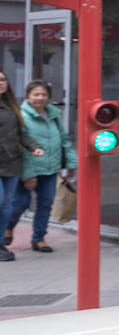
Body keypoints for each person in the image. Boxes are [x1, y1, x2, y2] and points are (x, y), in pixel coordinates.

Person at [5, 81, 74, 255]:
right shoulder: (20, 115)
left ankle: (39, 238)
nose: (40, 98)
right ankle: (8, 227)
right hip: (26, 169)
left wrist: (71, 164)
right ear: (28, 96)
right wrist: (29, 175)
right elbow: (20, 145)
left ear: (48, 97)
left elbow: (64, 139)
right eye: (36, 94)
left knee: (46, 203)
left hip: (50, 168)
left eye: (43, 95)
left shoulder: (54, 114)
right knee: (20, 204)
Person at [0, 72, 43, 262]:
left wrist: (34, 147)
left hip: (11, 164)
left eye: (2, 79)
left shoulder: (11, 106)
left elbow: (21, 134)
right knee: (0, 202)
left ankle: (0, 243)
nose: (1, 83)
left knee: (6, 207)